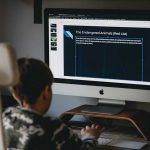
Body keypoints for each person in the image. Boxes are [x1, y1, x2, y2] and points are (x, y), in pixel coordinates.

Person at [3, 57, 103, 150]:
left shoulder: (6, 116)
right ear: (46, 91)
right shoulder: (53, 128)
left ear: (14, 94)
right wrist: (90, 137)